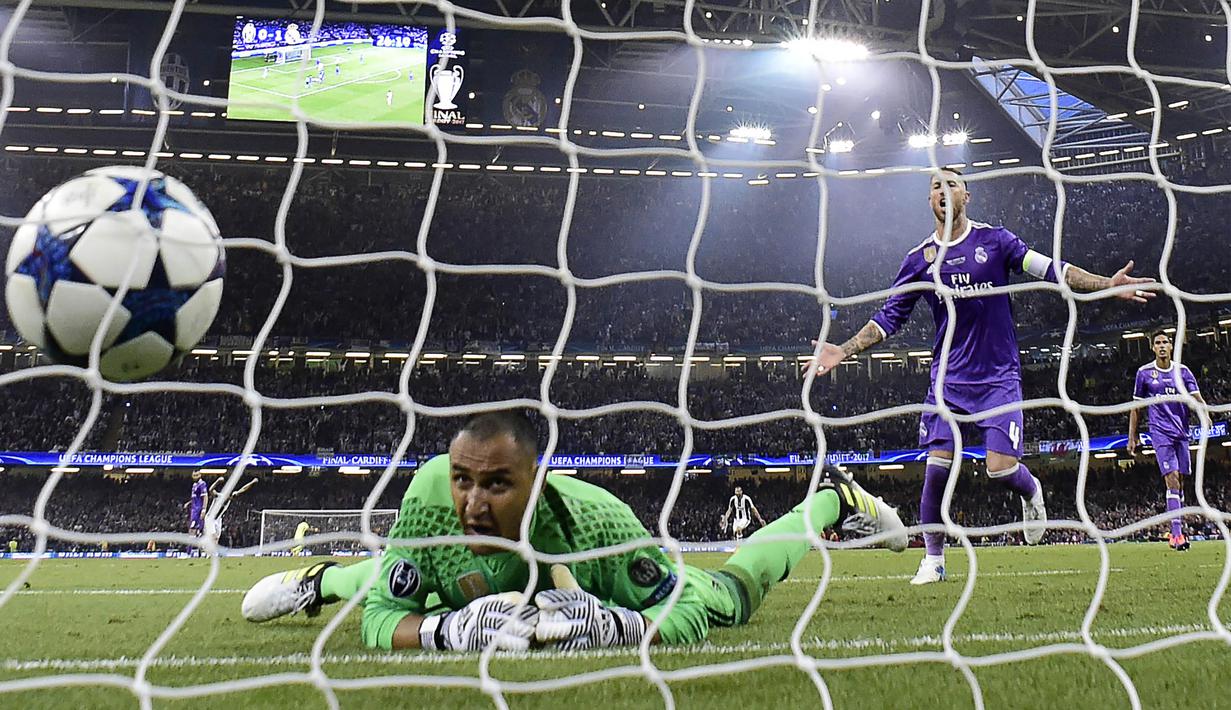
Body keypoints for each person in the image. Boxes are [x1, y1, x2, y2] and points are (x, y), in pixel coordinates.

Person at [241, 412, 907, 651]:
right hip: (475, 584)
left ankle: (830, 500)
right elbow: (385, 610)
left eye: (497, 485)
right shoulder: (428, 499)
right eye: (463, 481)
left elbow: (681, 616)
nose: (472, 501)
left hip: (598, 588)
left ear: (535, 484)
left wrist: (622, 627)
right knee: (426, 575)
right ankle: (317, 581)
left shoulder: (598, 524)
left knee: (728, 598)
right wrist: (442, 633)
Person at [810, 167, 1156, 586]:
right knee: (937, 467)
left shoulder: (996, 241)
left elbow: (1052, 270)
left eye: (952, 183)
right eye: (936, 185)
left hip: (998, 377)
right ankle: (934, 560)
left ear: (966, 196)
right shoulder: (919, 260)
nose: (944, 190)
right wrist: (843, 349)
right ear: (930, 200)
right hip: (947, 380)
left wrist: (1104, 285)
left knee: (998, 468)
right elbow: (889, 319)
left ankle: (1031, 492)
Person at [1128, 329, 1206, 551]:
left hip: (1181, 432)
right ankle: (1177, 535)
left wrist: (1206, 413)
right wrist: (1132, 435)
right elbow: (1136, 407)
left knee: (1180, 481)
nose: (1162, 346)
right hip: (1159, 433)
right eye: (1158, 343)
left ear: (1171, 346)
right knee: (1171, 479)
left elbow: (1196, 397)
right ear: (1153, 347)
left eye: (1165, 342)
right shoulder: (1144, 373)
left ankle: (1177, 526)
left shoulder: (1183, 372)